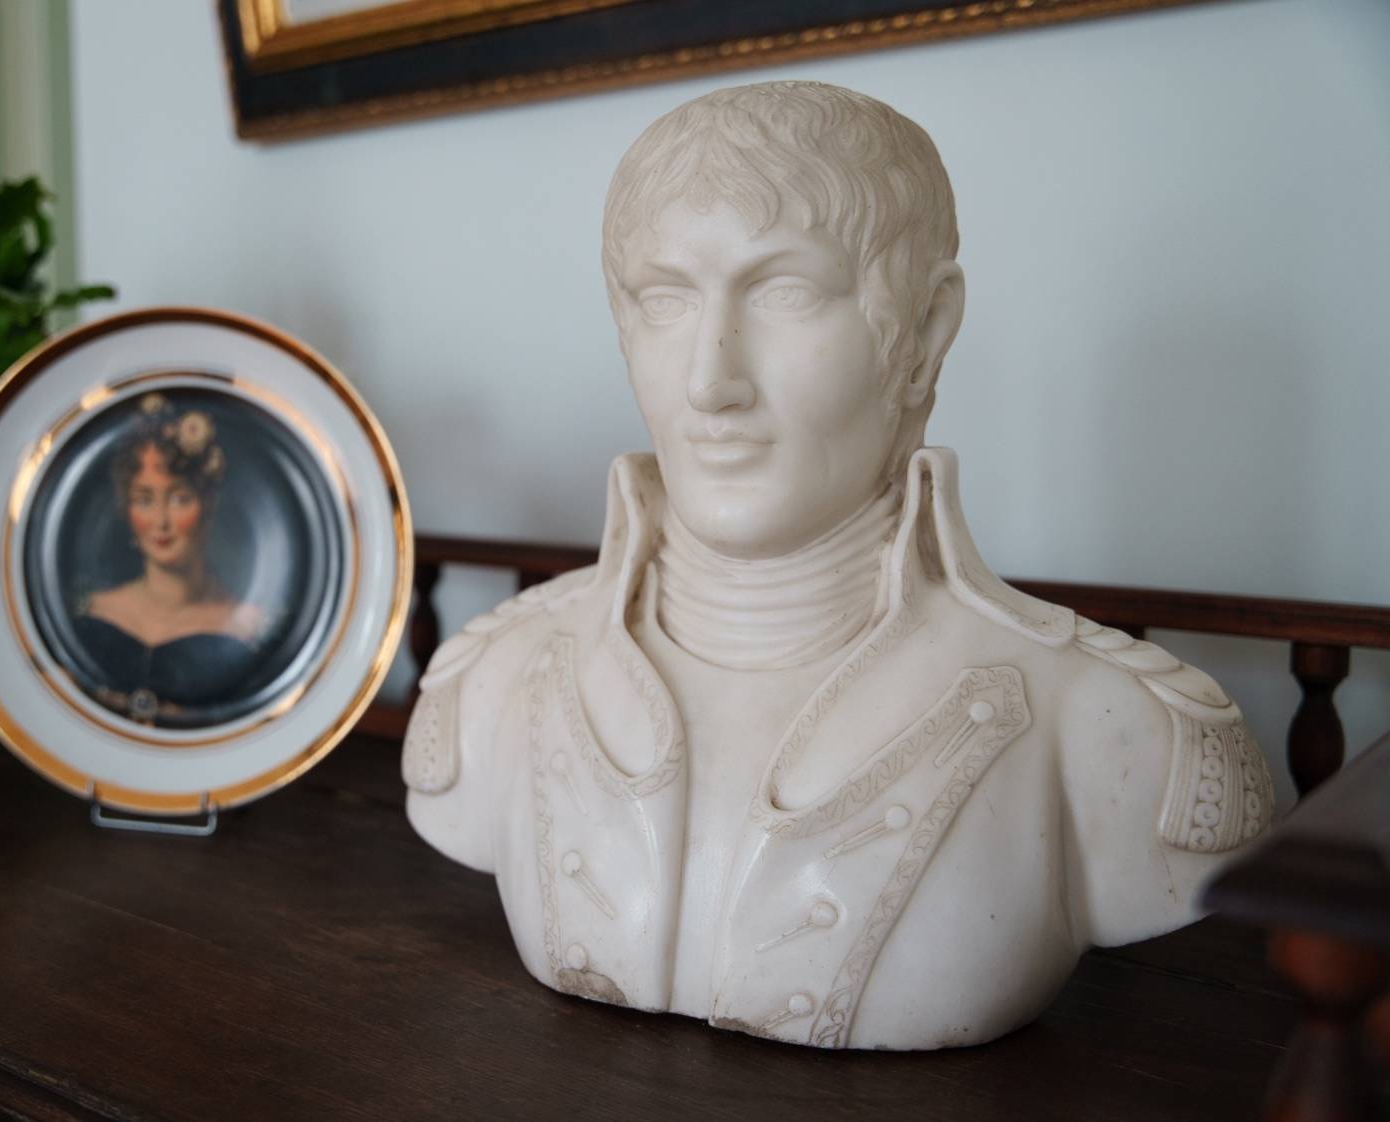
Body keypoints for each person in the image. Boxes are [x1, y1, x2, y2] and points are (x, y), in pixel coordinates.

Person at [401, 81, 1274, 1050]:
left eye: (786, 293)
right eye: (666, 298)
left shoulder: (1117, 733)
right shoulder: (494, 684)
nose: (711, 382)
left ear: (925, 334)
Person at [74, 393, 271, 724]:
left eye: (180, 498)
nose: (161, 522)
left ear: (208, 505)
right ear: (127, 508)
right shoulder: (92, 609)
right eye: (145, 499)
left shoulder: (251, 627)